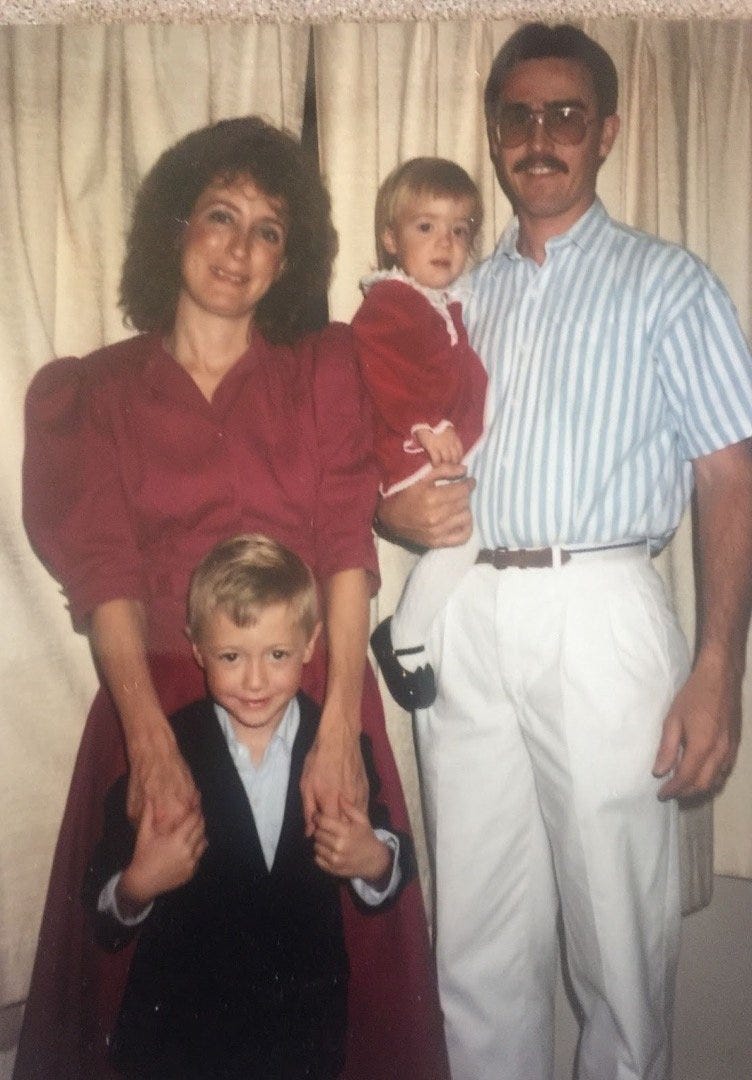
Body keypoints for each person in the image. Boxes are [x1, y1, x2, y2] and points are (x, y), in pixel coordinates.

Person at [17, 117, 448, 1080]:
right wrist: (148, 739)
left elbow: (346, 543)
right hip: (155, 697)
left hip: (316, 690)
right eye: (220, 215)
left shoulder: (323, 367)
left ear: (288, 260)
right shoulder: (97, 393)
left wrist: (341, 726)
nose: (240, 247)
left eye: (268, 229)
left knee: (332, 988)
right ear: (174, 226)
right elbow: (104, 577)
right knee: (156, 998)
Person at [377, 22, 752, 1080]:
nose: (539, 137)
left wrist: (717, 666)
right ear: (493, 134)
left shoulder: (666, 283)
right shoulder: (457, 297)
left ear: (606, 132)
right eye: (518, 116)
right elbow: (398, 440)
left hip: (600, 610)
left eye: (565, 115)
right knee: (478, 945)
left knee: (616, 951)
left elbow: (731, 474)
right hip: (466, 616)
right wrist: (394, 509)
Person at [84, 534, 415, 1080]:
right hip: (183, 1042)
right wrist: (139, 883)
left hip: (302, 1036)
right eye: (231, 656)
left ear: (311, 644)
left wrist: (372, 860)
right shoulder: (169, 752)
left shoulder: (335, 749)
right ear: (196, 650)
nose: (255, 680)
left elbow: (388, 859)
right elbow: (101, 905)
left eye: (277, 655)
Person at [351, 158, 488, 709]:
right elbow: (382, 365)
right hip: (410, 445)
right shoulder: (390, 302)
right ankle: (401, 635)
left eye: (459, 230)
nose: (445, 242)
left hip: (434, 438)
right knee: (462, 543)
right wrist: (426, 422)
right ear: (391, 238)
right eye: (425, 227)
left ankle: (409, 630)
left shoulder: (441, 301)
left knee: (467, 540)